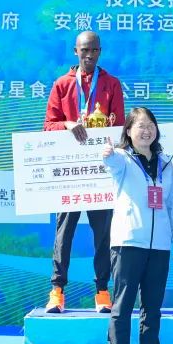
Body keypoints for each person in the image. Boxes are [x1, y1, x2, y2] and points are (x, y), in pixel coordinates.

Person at [43, 31, 126, 314]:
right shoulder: (62, 84)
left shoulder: (111, 84)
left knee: (103, 234)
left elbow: (120, 128)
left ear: (100, 52)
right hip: (70, 172)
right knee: (64, 232)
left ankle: (102, 291)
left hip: (100, 172)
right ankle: (57, 291)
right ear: (75, 51)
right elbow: (48, 126)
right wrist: (67, 124)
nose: (89, 55)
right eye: (84, 50)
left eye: (94, 50)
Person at [101, 107, 173, 344]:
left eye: (151, 125)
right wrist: (108, 155)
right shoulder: (122, 159)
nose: (146, 131)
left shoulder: (166, 163)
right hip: (128, 242)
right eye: (140, 126)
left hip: (159, 245)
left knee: (153, 304)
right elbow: (112, 163)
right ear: (128, 131)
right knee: (124, 302)